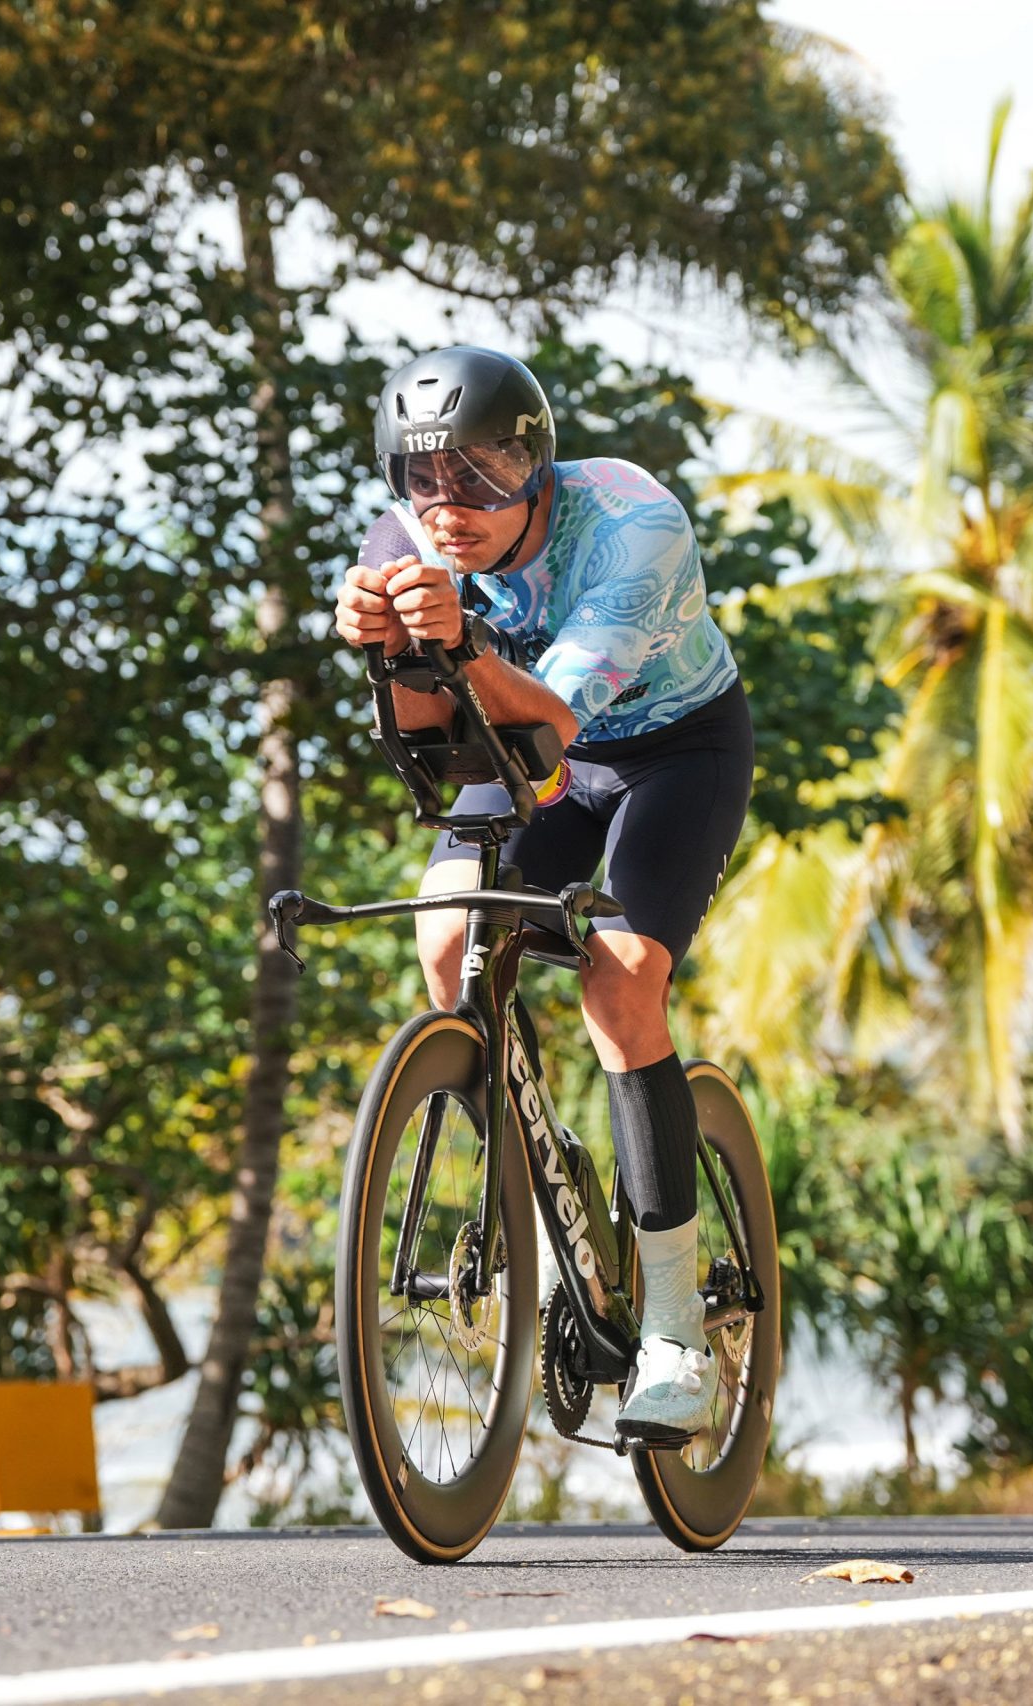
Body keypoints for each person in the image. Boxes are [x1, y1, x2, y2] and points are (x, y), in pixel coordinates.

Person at [331, 345, 753, 1440]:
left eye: (475, 474)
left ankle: (671, 1321)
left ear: (534, 463)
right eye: (420, 478)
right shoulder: (400, 548)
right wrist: (393, 658)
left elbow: (548, 727)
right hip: (527, 756)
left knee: (619, 985)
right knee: (444, 944)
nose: (446, 505)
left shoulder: (630, 524)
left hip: (671, 752)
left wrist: (457, 636)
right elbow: (438, 751)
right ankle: (540, 1204)